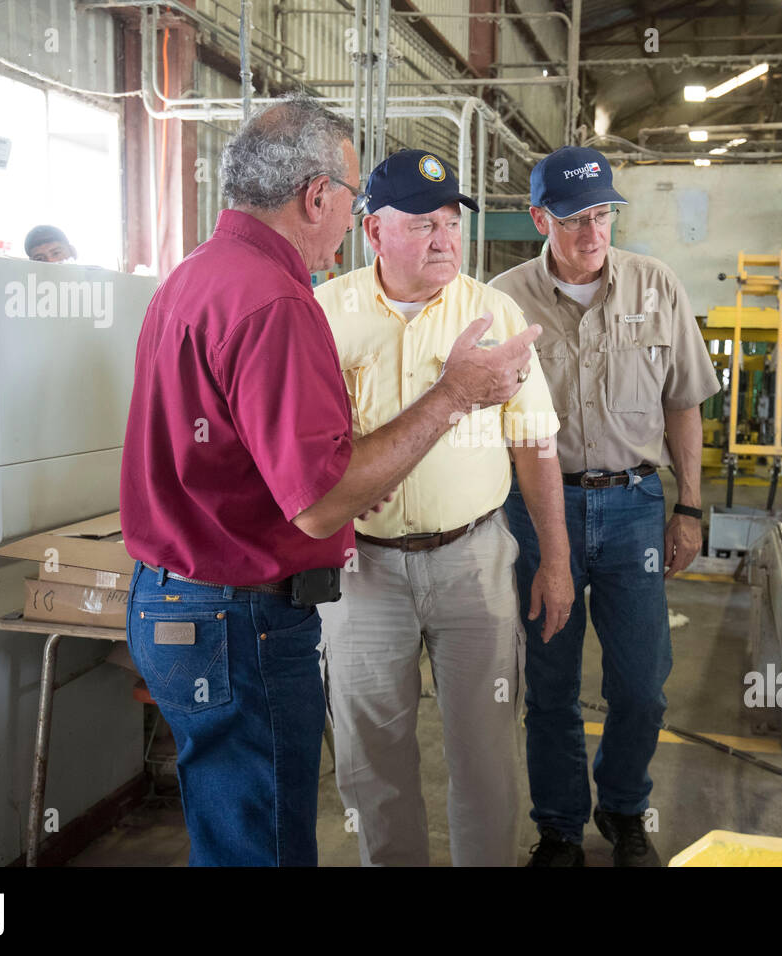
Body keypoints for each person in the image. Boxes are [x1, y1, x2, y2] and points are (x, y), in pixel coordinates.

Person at [118, 98, 540, 867]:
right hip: (240, 617)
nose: (347, 220)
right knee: (270, 842)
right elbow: (318, 503)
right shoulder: (281, 303)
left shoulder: (193, 278)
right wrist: (451, 395)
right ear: (318, 197)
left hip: (175, 603)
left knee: (232, 833)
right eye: (350, 199)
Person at [313, 149, 573, 866]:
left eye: (451, 223)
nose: (444, 240)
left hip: (474, 562)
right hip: (361, 568)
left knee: (486, 755)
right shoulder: (323, 315)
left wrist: (555, 560)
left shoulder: (493, 312)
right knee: (371, 761)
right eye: (423, 223)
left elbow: (536, 445)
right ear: (373, 233)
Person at [489, 146, 721, 867]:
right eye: (573, 219)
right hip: (535, 512)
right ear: (539, 219)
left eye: (602, 215)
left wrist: (690, 507)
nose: (592, 233)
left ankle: (624, 810)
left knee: (642, 685)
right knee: (550, 685)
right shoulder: (502, 302)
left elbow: (684, 400)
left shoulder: (657, 286)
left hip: (633, 510)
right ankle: (559, 828)